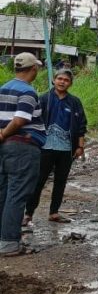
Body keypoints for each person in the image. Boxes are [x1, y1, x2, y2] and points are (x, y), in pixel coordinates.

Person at [25, 68, 87, 226]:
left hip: (66, 150)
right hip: (44, 148)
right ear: (54, 80)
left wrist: (80, 146)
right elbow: (33, 121)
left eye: (66, 80)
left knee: (61, 181)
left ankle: (54, 212)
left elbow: (81, 125)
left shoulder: (74, 102)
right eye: (60, 79)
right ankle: (28, 214)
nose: (62, 82)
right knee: (39, 181)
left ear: (70, 84)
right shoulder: (44, 99)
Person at [0, 53, 46, 257]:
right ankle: (10, 242)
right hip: (22, 147)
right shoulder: (27, 91)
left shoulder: (3, 88)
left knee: (4, 192)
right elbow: (20, 119)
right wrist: (3, 133)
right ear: (33, 69)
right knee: (17, 194)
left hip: (5, 149)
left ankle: (4, 238)